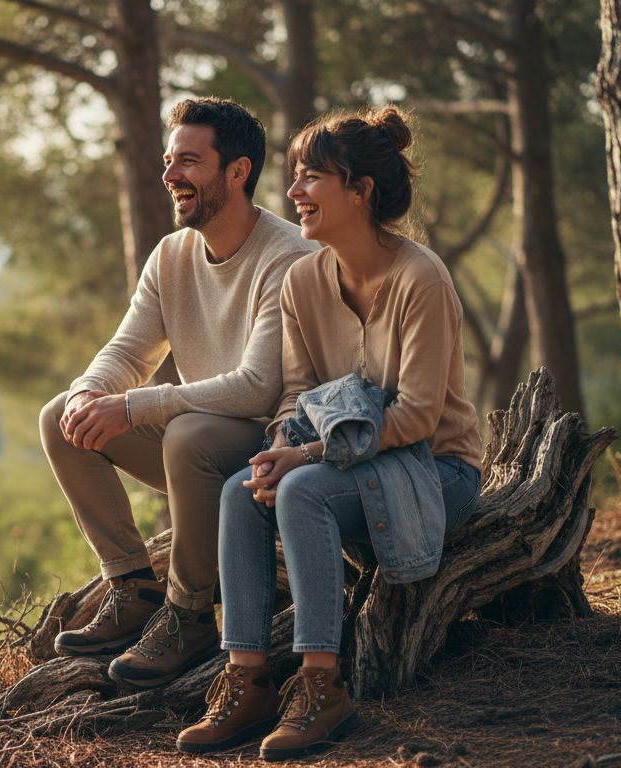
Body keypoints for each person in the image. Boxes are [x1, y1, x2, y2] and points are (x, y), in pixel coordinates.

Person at [176, 107, 483, 760]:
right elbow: (296, 396)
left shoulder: (420, 279)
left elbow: (420, 418)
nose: (293, 194)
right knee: (240, 490)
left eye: (310, 177)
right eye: (293, 177)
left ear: (361, 191)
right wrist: (280, 448)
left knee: (304, 491)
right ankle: (249, 680)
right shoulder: (303, 281)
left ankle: (321, 686)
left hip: (436, 471)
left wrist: (308, 455)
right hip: (349, 466)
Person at [39, 97, 314, 687]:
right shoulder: (172, 253)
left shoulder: (288, 256)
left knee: (188, 432)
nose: (169, 177)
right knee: (60, 415)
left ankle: (189, 616)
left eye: (188, 162)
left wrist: (134, 405)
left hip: (274, 453)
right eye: (169, 161)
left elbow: (258, 386)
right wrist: (92, 392)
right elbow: (129, 351)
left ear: (237, 172)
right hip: (196, 448)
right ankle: (135, 588)